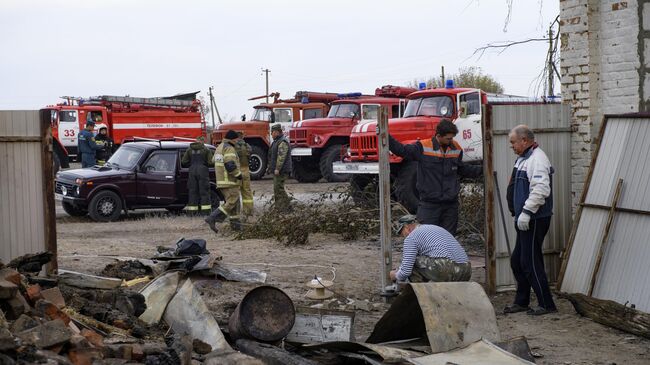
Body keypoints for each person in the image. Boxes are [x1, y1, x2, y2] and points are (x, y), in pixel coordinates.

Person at [388, 119, 482, 235]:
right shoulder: (423, 147)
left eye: (452, 138)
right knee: (428, 240)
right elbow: (401, 150)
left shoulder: (456, 149)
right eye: (448, 138)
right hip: (429, 205)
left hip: (450, 206)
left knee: (448, 241)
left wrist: (483, 169)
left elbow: (461, 170)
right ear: (438, 136)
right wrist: (386, 136)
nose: (451, 141)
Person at [504, 124, 557, 316]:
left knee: (530, 261)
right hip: (524, 218)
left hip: (534, 218)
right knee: (517, 261)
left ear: (524, 140)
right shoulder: (523, 159)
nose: (511, 146)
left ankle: (546, 304)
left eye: (513, 142)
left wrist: (526, 211)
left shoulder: (537, 159)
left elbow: (541, 189)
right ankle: (522, 301)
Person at [389, 215, 471, 283]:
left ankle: (417, 296)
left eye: (402, 232)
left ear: (407, 227)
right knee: (424, 262)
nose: (403, 236)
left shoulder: (412, 237)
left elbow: (405, 271)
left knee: (412, 262)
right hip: (466, 270)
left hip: (446, 268)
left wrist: (395, 275)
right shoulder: (435, 228)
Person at [205, 130, 242, 232]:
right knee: (231, 201)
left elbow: (213, 161)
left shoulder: (219, 147)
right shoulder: (229, 148)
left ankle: (236, 227)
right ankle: (212, 218)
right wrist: (239, 175)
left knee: (235, 204)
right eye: (236, 139)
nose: (237, 141)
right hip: (229, 181)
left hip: (221, 181)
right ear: (233, 139)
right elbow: (230, 165)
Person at [181, 136, 213, 213]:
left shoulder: (189, 149)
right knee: (204, 192)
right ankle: (206, 212)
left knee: (192, 191)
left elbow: (183, 162)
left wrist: (191, 165)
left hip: (192, 171)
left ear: (196, 140)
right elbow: (210, 162)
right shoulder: (206, 149)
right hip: (203, 172)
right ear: (203, 141)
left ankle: (192, 212)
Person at [268, 124, 292, 210]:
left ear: (277, 132)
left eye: (272, 132)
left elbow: (281, 157)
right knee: (277, 189)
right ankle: (279, 207)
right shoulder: (276, 141)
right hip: (278, 170)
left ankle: (287, 207)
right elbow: (272, 156)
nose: (271, 134)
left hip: (282, 170)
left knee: (279, 189)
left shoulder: (282, 142)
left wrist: (277, 169)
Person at [235, 132, 254, 217]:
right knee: (247, 191)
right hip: (246, 169)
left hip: (237, 170)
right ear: (242, 136)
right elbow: (250, 155)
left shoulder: (233, 146)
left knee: (235, 192)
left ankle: (236, 212)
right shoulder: (247, 146)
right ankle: (249, 211)